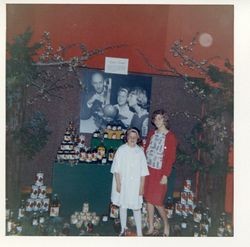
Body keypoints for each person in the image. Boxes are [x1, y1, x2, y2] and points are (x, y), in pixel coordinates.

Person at [143, 109, 177, 236]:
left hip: (160, 173)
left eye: (160, 118)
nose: (157, 121)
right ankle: (151, 227)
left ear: (165, 120)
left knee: (157, 201)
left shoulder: (170, 137)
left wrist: (165, 175)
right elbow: (146, 150)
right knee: (148, 200)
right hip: (148, 170)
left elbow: (170, 158)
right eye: (155, 119)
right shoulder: (152, 133)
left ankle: (166, 224)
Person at [110, 128, 149, 236]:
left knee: (136, 207)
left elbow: (143, 172)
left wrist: (141, 187)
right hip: (123, 183)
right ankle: (123, 229)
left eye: (134, 137)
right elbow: (116, 169)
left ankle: (140, 233)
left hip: (135, 185)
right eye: (130, 136)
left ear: (138, 138)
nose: (132, 139)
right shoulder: (121, 150)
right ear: (126, 137)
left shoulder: (140, 152)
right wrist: (118, 184)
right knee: (123, 206)